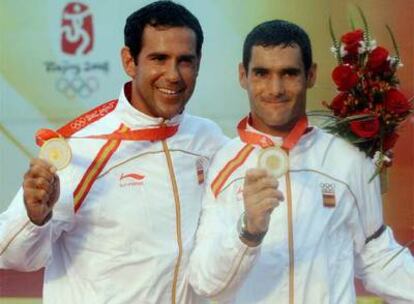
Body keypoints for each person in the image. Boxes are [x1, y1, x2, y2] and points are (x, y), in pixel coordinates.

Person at [0, 1, 226, 303]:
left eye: (185, 60)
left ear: (198, 63)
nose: (173, 74)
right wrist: (34, 218)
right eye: (159, 58)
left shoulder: (208, 140)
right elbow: (11, 254)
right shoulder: (80, 147)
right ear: (129, 61)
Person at [188, 20, 414, 303]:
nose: (275, 89)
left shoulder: (347, 159)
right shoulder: (221, 164)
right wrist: (248, 232)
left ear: (311, 75)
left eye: (289, 73)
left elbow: (379, 257)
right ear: (243, 75)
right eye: (261, 73)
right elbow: (205, 283)